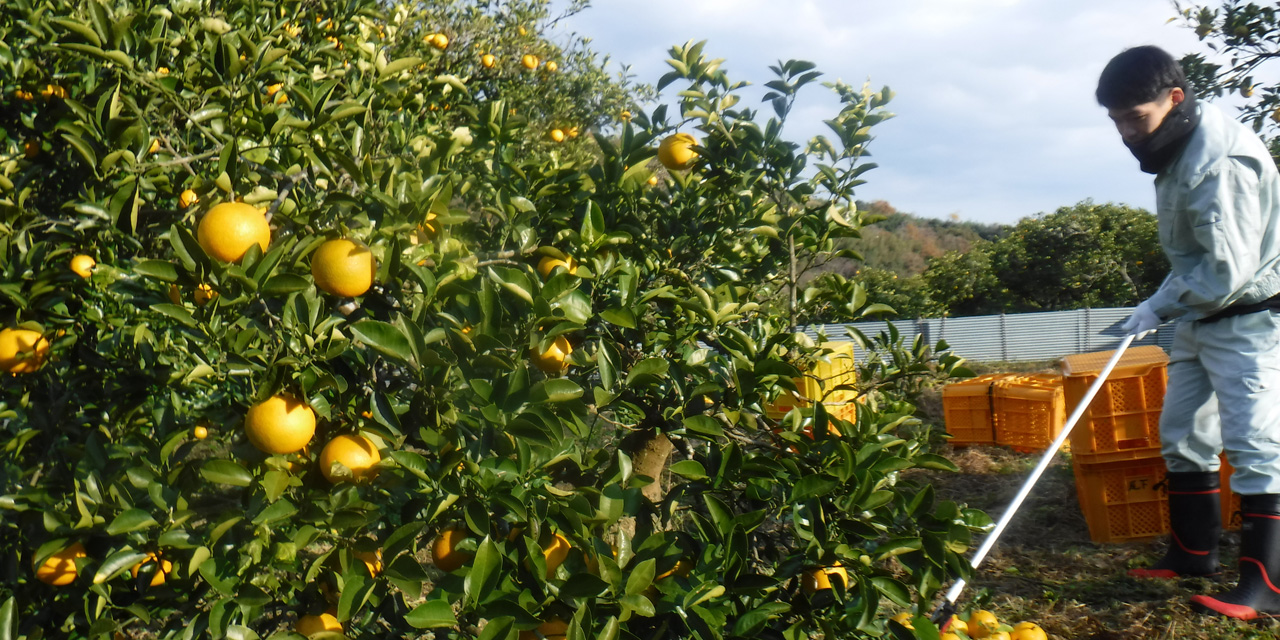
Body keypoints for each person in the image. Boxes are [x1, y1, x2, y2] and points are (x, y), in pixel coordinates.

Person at [1099, 45, 1280, 620]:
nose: (1128, 133)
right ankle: (1192, 553)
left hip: (1249, 318)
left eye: (1137, 118)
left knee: (1255, 445)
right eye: (1118, 121)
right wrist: (1167, 302)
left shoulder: (1217, 164)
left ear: (1175, 99)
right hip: (1201, 317)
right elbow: (1198, 253)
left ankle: (1267, 587)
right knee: (1182, 432)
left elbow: (1228, 271)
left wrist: (1160, 302)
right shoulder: (1178, 147)